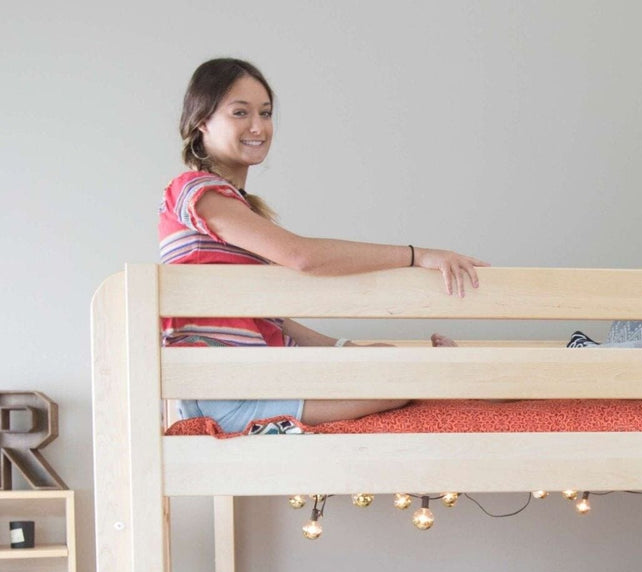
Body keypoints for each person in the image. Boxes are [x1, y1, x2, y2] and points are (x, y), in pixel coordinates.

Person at [162, 58, 487, 432]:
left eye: (266, 113)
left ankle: (448, 377)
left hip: (253, 375)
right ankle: (452, 379)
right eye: (240, 113)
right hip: (224, 390)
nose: (258, 126)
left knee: (388, 360)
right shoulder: (192, 190)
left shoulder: (238, 209)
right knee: (402, 379)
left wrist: (344, 349)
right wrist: (418, 256)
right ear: (202, 121)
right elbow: (302, 257)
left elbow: (269, 321)